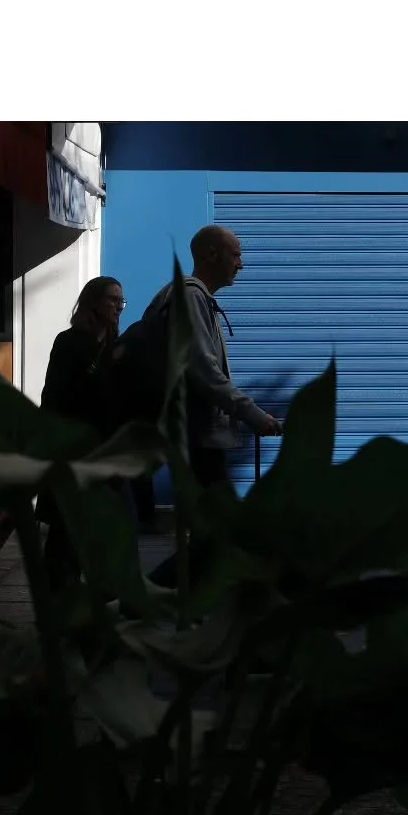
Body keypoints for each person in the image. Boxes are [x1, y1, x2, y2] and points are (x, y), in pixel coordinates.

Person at [146, 225, 282, 587]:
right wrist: (252, 414)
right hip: (195, 439)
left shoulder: (192, 297)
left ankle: (173, 601)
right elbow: (202, 370)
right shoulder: (189, 297)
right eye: (236, 254)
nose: (241, 264)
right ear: (211, 254)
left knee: (214, 534)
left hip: (197, 437)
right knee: (217, 533)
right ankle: (148, 599)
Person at [37, 275, 126, 590]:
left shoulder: (114, 345)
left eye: (121, 301)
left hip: (105, 451)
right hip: (75, 450)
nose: (119, 306)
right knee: (67, 529)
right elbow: (57, 396)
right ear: (93, 302)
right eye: (113, 299)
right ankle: (60, 595)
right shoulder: (71, 342)